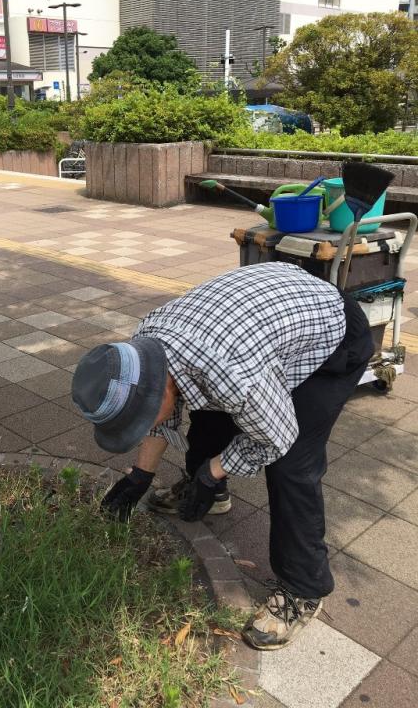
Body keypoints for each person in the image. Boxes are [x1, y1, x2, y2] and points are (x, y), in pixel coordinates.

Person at [71, 262, 373, 650]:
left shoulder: (232, 375)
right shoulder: (139, 351)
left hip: (333, 338)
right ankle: (212, 496)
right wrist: (139, 477)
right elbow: (164, 410)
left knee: (292, 463)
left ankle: (304, 589)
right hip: (268, 317)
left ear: (160, 391)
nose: (142, 427)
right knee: (210, 413)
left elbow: (276, 436)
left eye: (140, 420)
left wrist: (212, 471)